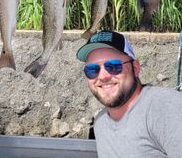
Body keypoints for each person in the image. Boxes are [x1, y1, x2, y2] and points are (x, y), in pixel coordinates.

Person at [76, 30, 182, 158]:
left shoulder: (166, 108)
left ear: (135, 68)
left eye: (113, 66)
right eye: (92, 70)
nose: (103, 76)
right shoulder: (100, 123)